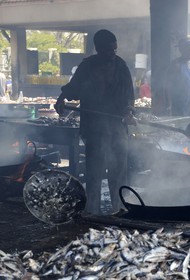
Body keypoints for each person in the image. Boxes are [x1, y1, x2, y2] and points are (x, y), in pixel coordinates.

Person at [55, 29, 135, 215]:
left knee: (118, 170)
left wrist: (129, 111)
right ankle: (93, 209)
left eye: (114, 49)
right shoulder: (87, 67)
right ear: (98, 49)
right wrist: (62, 97)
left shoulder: (121, 66)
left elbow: (129, 96)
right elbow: (73, 89)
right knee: (94, 171)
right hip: (94, 127)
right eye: (108, 50)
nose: (113, 54)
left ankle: (119, 207)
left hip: (117, 126)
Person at [165, 37, 190, 116]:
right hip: (181, 106)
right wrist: (169, 105)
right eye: (187, 48)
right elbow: (168, 86)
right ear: (181, 50)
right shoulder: (175, 65)